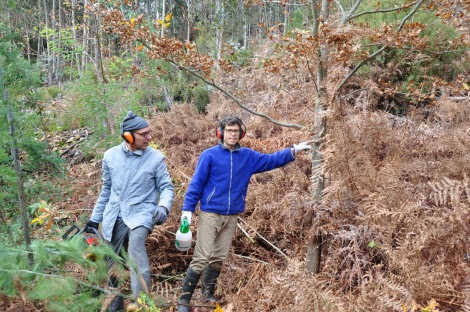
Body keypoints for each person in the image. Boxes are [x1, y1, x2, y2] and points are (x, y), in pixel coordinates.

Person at [177, 115, 311, 312]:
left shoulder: (248, 156)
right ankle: (184, 300)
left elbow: (271, 160)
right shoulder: (209, 155)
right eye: (229, 131)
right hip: (210, 213)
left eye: (236, 131)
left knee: (219, 257)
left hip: (232, 215)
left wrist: (294, 150)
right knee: (202, 256)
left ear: (242, 133)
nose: (233, 134)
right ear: (220, 133)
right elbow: (196, 184)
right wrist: (187, 211)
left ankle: (207, 294)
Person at [84, 110, 174, 312]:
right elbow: (106, 190)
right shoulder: (110, 156)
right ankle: (114, 305)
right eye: (144, 134)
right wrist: (94, 219)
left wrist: (163, 207)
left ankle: (139, 304)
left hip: (141, 214)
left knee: (135, 250)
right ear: (128, 135)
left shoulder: (156, 158)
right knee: (111, 260)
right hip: (114, 215)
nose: (149, 137)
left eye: (150, 132)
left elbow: (167, 188)